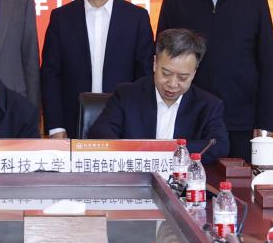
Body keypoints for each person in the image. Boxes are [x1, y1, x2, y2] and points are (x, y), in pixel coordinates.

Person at [157, 0, 273, 162]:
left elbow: (268, 64)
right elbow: (162, 60)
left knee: (242, 182)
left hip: (242, 120)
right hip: (189, 116)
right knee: (186, 180)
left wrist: (265, 125)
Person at [40, 0, 154, 137]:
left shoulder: (136, 18)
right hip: (72, 123)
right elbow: (51, 75)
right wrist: (56, 127)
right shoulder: (61, 18)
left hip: (124, 123)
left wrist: (139, 124)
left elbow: (144, 76)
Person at [86, 28, 229, 164]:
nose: (172, 84)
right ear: (155, 63)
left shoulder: (209, 105)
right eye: (166, 74)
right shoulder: (126, 95)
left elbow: (219, 146)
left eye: (183, 77)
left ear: (194, 72)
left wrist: (167, 151)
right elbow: (100, 133)